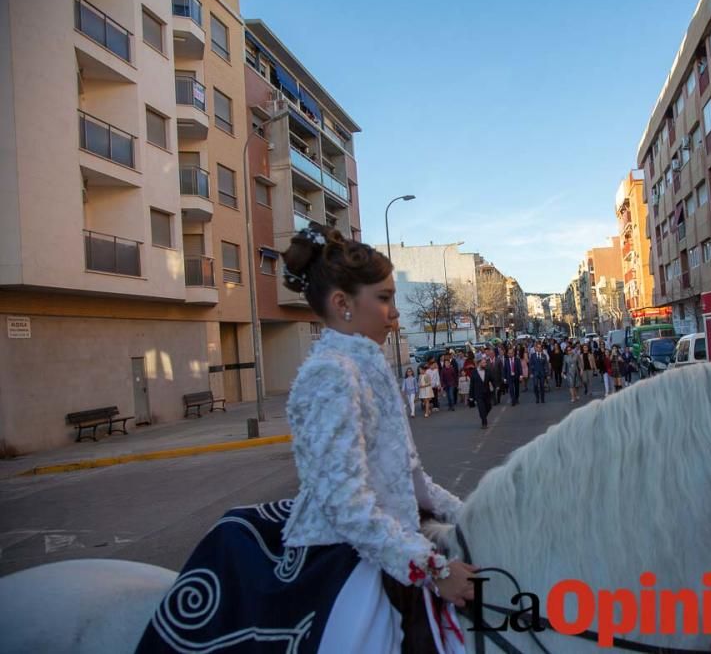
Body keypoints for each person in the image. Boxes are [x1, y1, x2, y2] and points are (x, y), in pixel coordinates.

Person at [152, 223, 477, 652]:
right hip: (346, 553)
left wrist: (474, 515)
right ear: (342, 304)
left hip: (395, 539)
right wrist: (434, 570)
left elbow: (409, 478)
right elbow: (347, 507)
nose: (395, 312)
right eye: (383, 298)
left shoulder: (366, 365)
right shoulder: (331, 374)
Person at [469, 357, 493, 429]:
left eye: (485, 363)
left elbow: (492, 380)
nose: (485, 364)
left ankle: (483, 416)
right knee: (481, 408)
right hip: (478, 394)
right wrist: (471, 396)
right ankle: (484, 423)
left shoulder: (488, 371)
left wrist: (496, 386)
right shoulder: (474, 372)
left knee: (489, 406)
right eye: (483, 363)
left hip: (487, 393)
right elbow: (472, 385)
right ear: (479, 363)